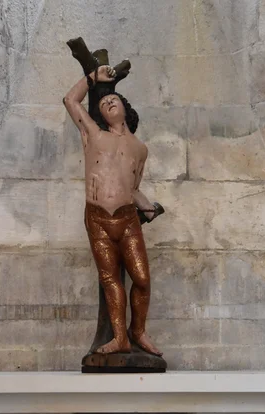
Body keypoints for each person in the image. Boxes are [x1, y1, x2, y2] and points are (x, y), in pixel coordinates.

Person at [63, 65, 162, 356]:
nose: (108, 102)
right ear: (100, 116)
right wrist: (93, 77)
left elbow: (132, 186)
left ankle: (138, 331)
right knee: (110, 279)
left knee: (142, 279)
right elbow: (71, 100)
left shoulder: (140, 149)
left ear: (125, 109)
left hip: (128, 219)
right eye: (104, 103)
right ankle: (119, 337)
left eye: (114, 99)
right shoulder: (92, 135)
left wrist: (148, 207)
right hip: (98, 218)